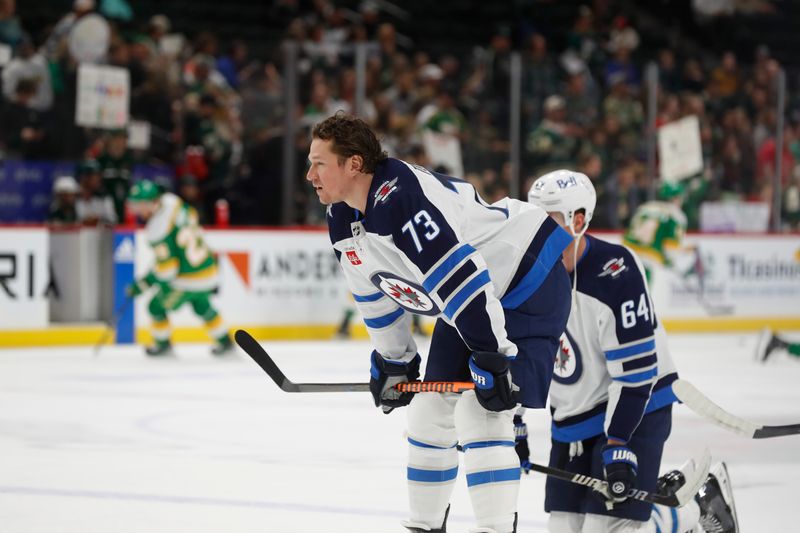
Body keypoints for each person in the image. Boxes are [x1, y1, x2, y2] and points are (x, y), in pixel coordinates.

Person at [308, 112, 573, 533]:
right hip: (470, 304)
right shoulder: (342, 215)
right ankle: (425, 525)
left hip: (527, 279)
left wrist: (493, 357)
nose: (310, 175)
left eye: (319, 163)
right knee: (429, 411)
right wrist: (395, 360)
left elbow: (461, 278)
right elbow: (374, 295)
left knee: (482, 412)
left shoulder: (401, 198)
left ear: (353, 164)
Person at [524, 169, 738, 533]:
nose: (535, 231)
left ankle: (697, 509)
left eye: (548, 220)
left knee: (606, 529)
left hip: (638, 406)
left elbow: (636, 375)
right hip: (576, 415)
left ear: (578, 220)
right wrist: (510, 425)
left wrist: (618, 441)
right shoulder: (523, 271)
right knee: (562, 527)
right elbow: (514, 353)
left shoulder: (615, 273)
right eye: (531, 218)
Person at [125, 180, 234, 357]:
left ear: (154, 203)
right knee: (202, 305)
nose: (138, 211)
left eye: (141, 205)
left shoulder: (156, 230)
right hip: (208, 268)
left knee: (155, 307)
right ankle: (225, 341)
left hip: (188, 279)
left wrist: (144, 284)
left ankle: (163, 345)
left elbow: (168, 271)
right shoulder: (173, 202)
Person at [622, 181, 688, 283]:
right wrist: (669, 262)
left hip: (624, 256)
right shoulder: (676, 215)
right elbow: (671, 247)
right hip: (646, 262)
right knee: (640, 297)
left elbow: (629, 231)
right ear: (675, 198)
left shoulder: (644, 207)